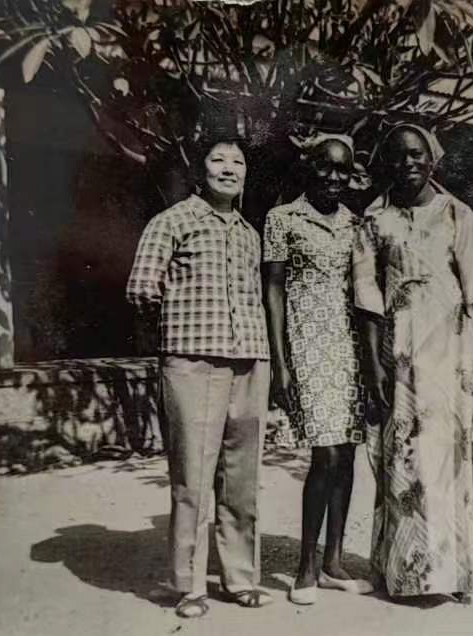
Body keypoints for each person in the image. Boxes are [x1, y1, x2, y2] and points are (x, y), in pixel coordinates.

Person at [352, 123, 473, 602]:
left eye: (417, 154)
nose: (408, 163)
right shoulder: (374, 221)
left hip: (452, 353)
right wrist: (373, 364)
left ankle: (460, 569)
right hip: (398, 354)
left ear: (432, 158)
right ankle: (409, 572)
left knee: (451, 456)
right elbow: (367, 299)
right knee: (406, 455)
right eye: (398, 156)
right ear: (386, 163)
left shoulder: (457, 213)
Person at [126, 129, 273, 618]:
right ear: (200, 169)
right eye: (218, 160)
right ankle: (187, 585)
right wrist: (180, 333)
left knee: (242, 478)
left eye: (238, 162)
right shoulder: (172, 221)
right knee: (192, 475)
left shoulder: (249, 233)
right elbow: (141, 290)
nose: (229, 169)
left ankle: (240, 578)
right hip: (192, 361)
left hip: (249, 359)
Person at [263, 133, 372, 605]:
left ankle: (333, 562)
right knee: (324, 455)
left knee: (346, 456)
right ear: (309, 167)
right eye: (325, 166)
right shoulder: (282, 219)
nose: (333, 177)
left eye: (342, 169)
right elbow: (273, 290)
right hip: (306, 346)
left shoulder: (356, 223)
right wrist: (279, 362)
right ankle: (305, 566)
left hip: (350, 351)